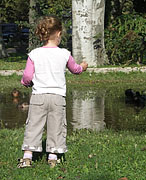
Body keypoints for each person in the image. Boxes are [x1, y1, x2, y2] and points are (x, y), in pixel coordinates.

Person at [17, 15, 88, 168]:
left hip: (38, 97)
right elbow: (75, 70)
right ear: (59, 33)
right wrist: (83, 66)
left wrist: (25, 82)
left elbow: (28, 76)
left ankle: (27, 157)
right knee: (57, 126)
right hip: (57, 97)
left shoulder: (35, 53)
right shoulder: (64, 54)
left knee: (34, 125)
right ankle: (53, 157)